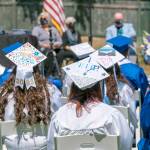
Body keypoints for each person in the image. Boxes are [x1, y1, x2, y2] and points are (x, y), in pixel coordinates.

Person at [47, 58, 133, 150]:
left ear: (73, 88)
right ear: (98, 87)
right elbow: (125, 144)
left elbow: (52, 146)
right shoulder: (111, 115)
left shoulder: (60, 116)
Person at [107, 35, 149, 104]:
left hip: (109, 104)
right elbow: (143, 92)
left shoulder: (106, 68)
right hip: (131, 106)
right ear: (127, 51)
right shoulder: (136, 71)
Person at [32, 12, 62, 76]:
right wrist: (44, 45)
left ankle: (57, 73)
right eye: (42, 18)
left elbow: (60, 41)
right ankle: (47, 74)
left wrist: (54, 44)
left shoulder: (53, 29)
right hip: (42, 49)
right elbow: (34, 40)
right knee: (48, 54)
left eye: (45, 18)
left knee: (62, 53)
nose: (43, 20)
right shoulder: (36, 29)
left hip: (54, 48)